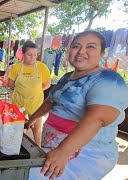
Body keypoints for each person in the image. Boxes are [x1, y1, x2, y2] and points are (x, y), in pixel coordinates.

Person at [26, 31, 128, 179]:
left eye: (91, 47)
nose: (81, 52)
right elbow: (51, 100)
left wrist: (63, 151)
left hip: (87, 152)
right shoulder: (68, 77)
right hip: (56, 144)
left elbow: (97, 118)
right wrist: (33, 118)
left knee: (28, 175)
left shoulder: (109, 79)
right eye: (76, 46)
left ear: (102, 54)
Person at [8, 40, 51, 146]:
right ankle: (19, 146)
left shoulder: (42, 67)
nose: (33, 57)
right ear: (22, 54)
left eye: (35, 55)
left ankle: (38, 149)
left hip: (35, 105)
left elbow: (47, 84)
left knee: (37, 129)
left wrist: (33, 91)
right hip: (19, 104)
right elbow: (10, 84)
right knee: (19, 128)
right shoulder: (17, 67)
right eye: (29, 54)